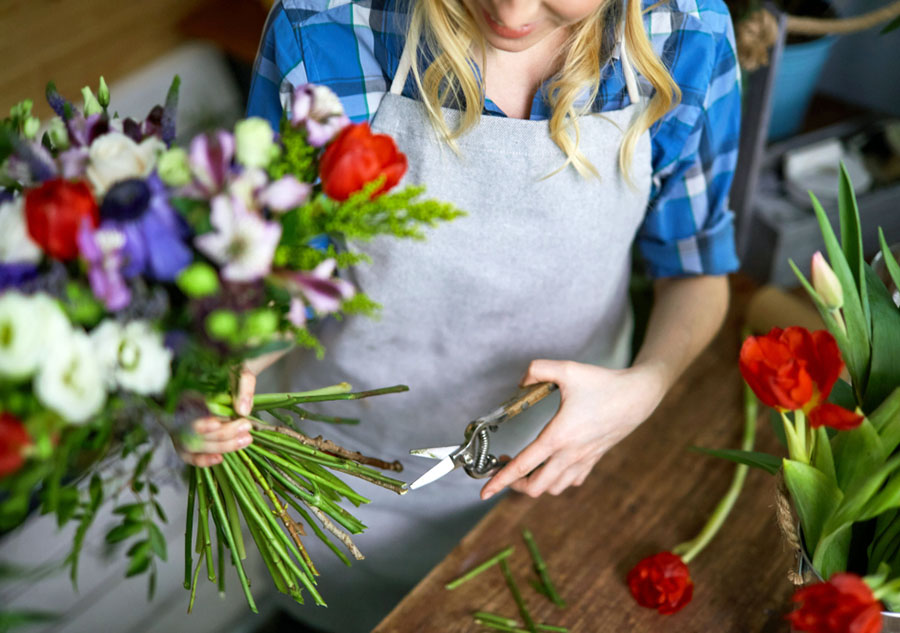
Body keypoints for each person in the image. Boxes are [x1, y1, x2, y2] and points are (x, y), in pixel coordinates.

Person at [178, 0, 741, 629]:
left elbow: (695, 270)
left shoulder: (686, 38)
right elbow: (288, 276)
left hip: (563, 471)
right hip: (342, 476)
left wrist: (648, 384)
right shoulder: (324, 29)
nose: (513, 12)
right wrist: (221, 371)